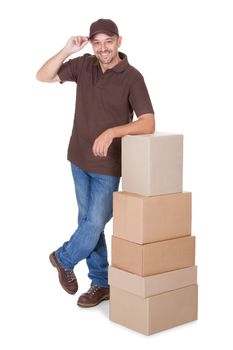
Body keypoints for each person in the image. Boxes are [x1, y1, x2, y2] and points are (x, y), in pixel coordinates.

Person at [36, 18, 155, 307]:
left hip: (108, 166)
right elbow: (42, 76)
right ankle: (101, 284)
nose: (103, 48)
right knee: (90, 223)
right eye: (97, 42)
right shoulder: (85, 65)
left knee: (94, 221)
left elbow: (148, 123)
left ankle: (63, 258)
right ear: (91, 43)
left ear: (119, 41)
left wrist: (113, 131)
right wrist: (67, 50)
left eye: (108, 41)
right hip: (78, 158)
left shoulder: (132, 77)